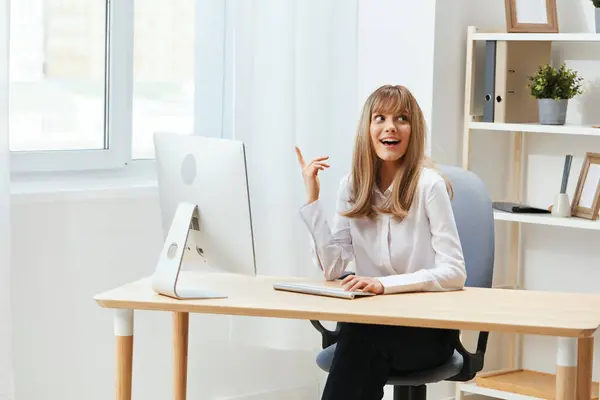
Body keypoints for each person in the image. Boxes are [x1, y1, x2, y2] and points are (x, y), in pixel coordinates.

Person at [294, 84, 467, 400]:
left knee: (358, 343)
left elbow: (455, 271)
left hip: (425, 331)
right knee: (360, 338)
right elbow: (333, 267)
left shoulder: (429, 187)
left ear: (413, 130)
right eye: (380, 118)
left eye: (402, 118)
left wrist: (384, 285)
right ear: (368, 129)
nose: (391, 127)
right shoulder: (352, 186)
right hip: (371, 325)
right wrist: (312, 199)